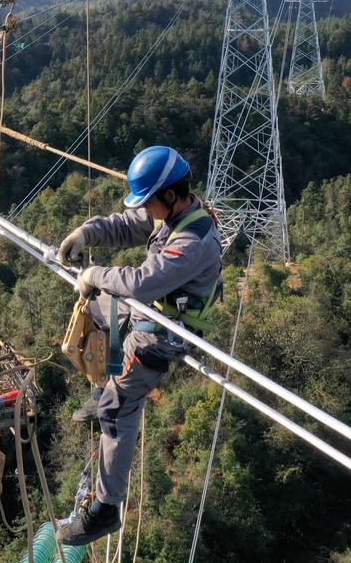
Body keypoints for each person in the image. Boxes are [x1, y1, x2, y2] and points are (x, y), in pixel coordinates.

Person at [55, 146, 222, 546]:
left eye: (148, 200)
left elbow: (142, 282)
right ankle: (104, 388)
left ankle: (106, 507)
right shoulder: (168, 213)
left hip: (168, 330)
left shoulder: (193, 237)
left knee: (119, 405)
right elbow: (124, 224)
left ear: (169, 194)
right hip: (150, 307)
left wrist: (95, 271)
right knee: (97, 308)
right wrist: (85, 234)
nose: (144, 209)